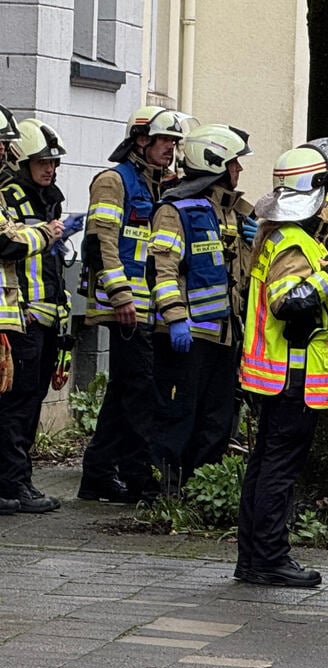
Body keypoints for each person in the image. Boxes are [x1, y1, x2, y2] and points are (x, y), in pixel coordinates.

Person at [235, 147, 328, 587]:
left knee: (265, 466)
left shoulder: (278, 233)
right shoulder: (295, 244)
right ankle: (269, 559)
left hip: (275, 375)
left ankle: (253, 559)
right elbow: (288, 303)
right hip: (293, 378)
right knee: (278, 472)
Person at [78, 106, 189, 504]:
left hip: (145, 308)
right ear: (141, 140)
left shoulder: (156, 186)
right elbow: (101, 242)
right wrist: (121, 296)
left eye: (174, 142)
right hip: (124, 306)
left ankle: (97, 475)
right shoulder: (114, 181)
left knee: (124, 390)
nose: (170, 149)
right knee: (139, 391)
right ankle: (138, 476)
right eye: (164, 141)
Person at [147, 123, 254, 492]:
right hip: (186, 338)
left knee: (216, 421)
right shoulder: (174, 211)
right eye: (234, 163)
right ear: (215, 164)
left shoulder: (231, 212)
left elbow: (239, 274)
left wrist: (255, 242)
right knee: (176, 416)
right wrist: (175, 318)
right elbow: (162, 270)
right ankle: (164, 491)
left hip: (224, 337)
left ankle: (198, 489)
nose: (239, 169)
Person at [0, 116, 68, 513]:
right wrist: (46, 233)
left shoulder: (48, 199)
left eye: (54, 162)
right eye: (43, 161)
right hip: (20, 317)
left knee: (29, 403)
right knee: (17, 405)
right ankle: (14, 484)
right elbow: (9, 247)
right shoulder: (9, 197)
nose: (50, 169)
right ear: (23, 162)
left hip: (43, 317)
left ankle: (17, 481)